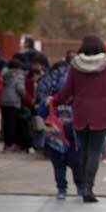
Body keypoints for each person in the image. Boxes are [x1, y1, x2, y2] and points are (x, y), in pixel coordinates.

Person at [50, 35, 106, 203]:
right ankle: (88, 188)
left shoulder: (75, 65)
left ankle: (82, 186)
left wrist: (55, 101)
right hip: (102, 112)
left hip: (81, 112)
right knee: (95, 151)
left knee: (83, 150)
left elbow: (67, 90)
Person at [37, 60, 84, 200]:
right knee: (58, 167)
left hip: (73, 140)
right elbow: (41, 114)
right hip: (55, 140)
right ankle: (61, 188)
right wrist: (44, 105)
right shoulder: (51, 101)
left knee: (77, 166)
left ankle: (80, 187)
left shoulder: (78, 103)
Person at [0, 58, 26, 152]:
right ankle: (11, 144)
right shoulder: (19, 74)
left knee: (5, 123)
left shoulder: (4, 73)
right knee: (12, 124)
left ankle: (6, 144)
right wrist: (24, 94)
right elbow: (20, 88)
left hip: (3, 100)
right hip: (14, 101)